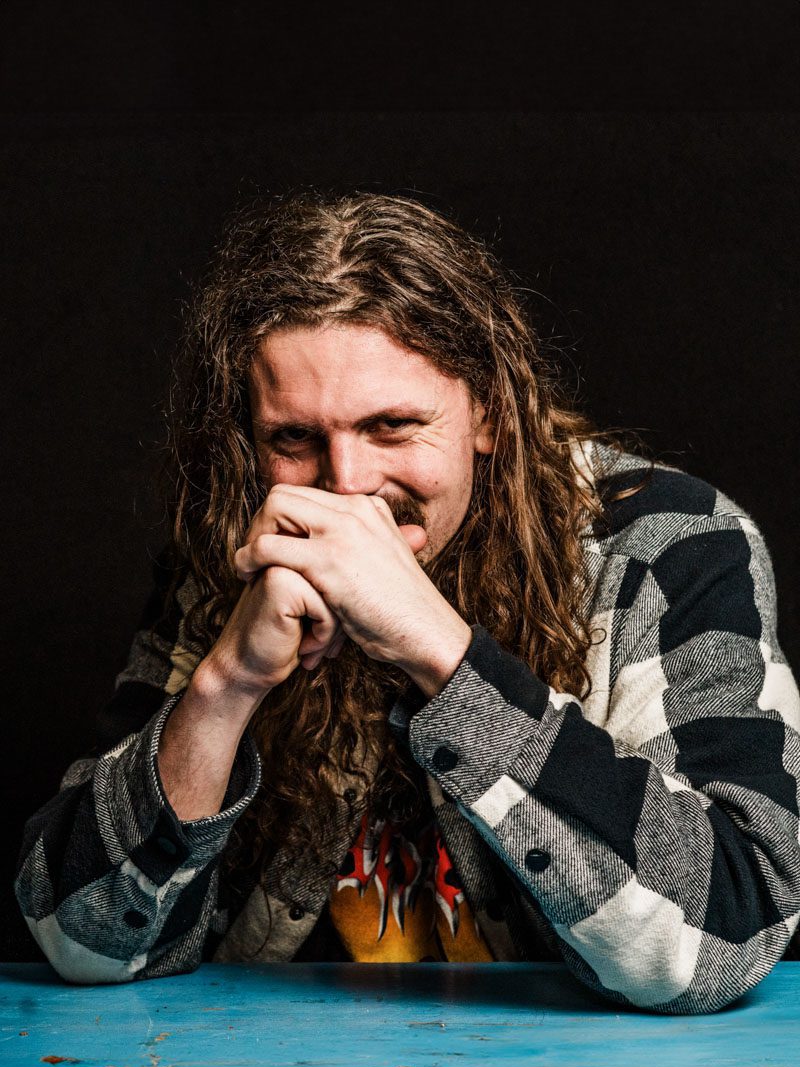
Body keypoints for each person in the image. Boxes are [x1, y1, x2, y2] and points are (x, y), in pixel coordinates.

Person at [15, 192, 800, 1013]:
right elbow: (80, 940)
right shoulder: (239, 551)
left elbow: (723, 937)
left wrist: (437, 648)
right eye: (294, 439)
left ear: (490, 414)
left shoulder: (668, 547)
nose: (347, 486)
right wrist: (226, 686)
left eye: (391, 426)